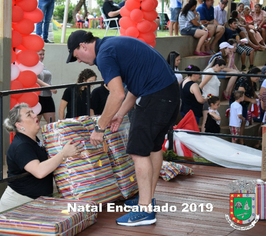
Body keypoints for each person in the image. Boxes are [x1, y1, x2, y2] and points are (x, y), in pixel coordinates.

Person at [66, 30, 180, 226]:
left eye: (77, 56)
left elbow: (117, 94)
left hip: (155, 97)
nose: (79, 61)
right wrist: (119, 115)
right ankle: (148, 200)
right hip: (169, 95)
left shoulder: (104, 55)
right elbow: (134, 89)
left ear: (83, 46)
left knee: (138, 152)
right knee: (153, 148)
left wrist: (99, 127)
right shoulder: (112, 44)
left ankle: (145, 211)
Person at [0, 103, 81, 212]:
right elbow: (39, 171)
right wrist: (63, 154)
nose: (34, 115)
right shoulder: (21, 145)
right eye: (28, 114)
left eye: (33, 112)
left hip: (37, 203)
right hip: (19, 206)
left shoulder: (34, 140)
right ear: (19, 125)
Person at [229, 67, 261, 144]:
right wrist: (251, 100)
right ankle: (236, 140)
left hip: (244, 104)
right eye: (258, 76)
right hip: (237, 103)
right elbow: (240, 94)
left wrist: (256, 97)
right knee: (237, 121)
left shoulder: (252, 81)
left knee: (243, 121)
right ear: (253, 75)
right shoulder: (244, 80)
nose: (259, 78)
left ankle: (241, 139)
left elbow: (252, 91)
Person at [199, 58, 226, 131]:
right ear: (217, 65)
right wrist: (208, 98)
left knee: (210, 121)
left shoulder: (212, 72)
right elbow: (201, 86)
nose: (221, 70)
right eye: (221, 68)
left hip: (212, 100)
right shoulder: (210, 73)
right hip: (209, 100)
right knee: (206, 120)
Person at [36, 49, 57, 123]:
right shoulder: (31, 66)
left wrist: (52, 87)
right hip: (37, 98)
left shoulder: (42, 66)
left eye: (43, 54)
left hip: (47, 97)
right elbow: (34, 79)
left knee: (52, 125)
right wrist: (49, 87)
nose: (42, 56)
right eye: (40, 54)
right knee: (34, 125)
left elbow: (46, 80)